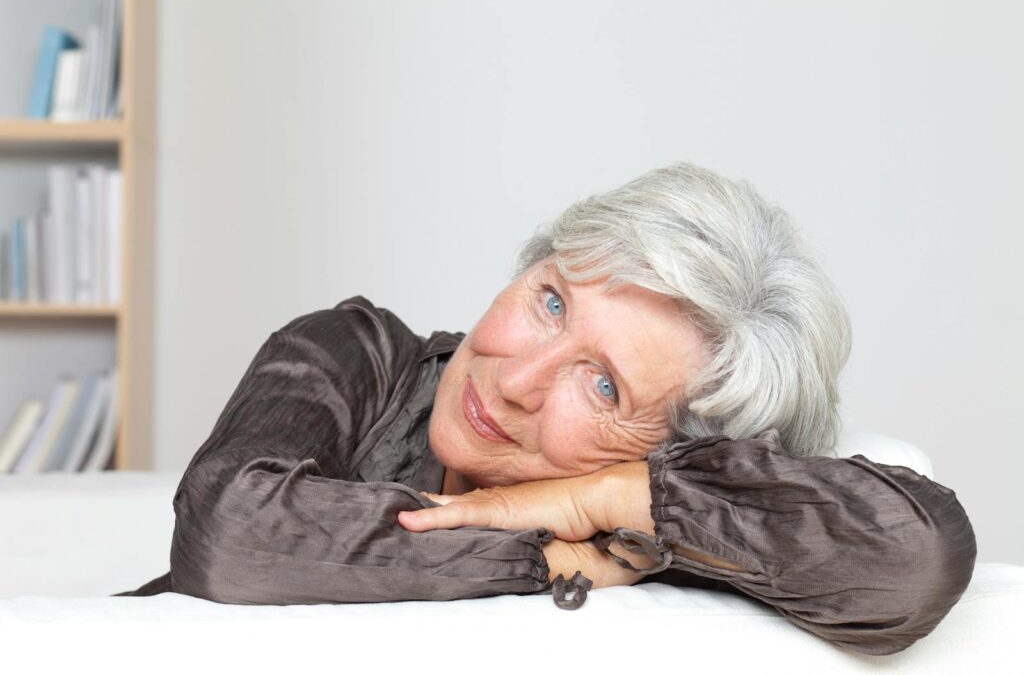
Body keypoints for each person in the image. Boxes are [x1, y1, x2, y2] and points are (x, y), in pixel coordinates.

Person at [114, 161, 976, 656]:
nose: (518, 378)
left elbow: (907, 559)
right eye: (551, 302)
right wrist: (541, 550)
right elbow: (232, 530)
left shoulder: (663, 515)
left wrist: (590, 502)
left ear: (667, 456)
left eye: (603, 385)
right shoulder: (356, 350)